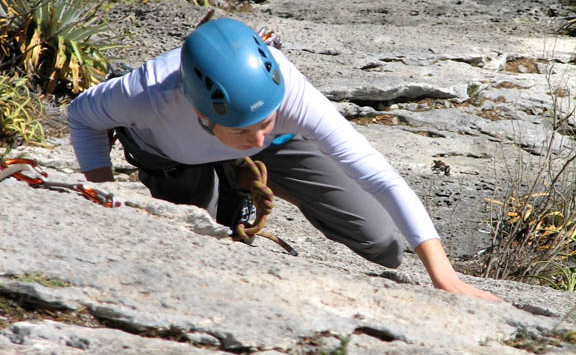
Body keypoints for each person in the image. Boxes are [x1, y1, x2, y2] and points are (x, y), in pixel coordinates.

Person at [68, 17, 499, 301]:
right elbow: (81, 117)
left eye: (265, 120)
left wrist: (445, 278)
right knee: (199, 246)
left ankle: (242, 175)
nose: (255, 136)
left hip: (276, 148)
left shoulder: (288, 90)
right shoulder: (148, 94)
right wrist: (105, 198)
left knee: (383, 243)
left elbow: (382, 178)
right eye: (243, 130)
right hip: (172, 154)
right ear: (199, 111)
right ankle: (223, 185)